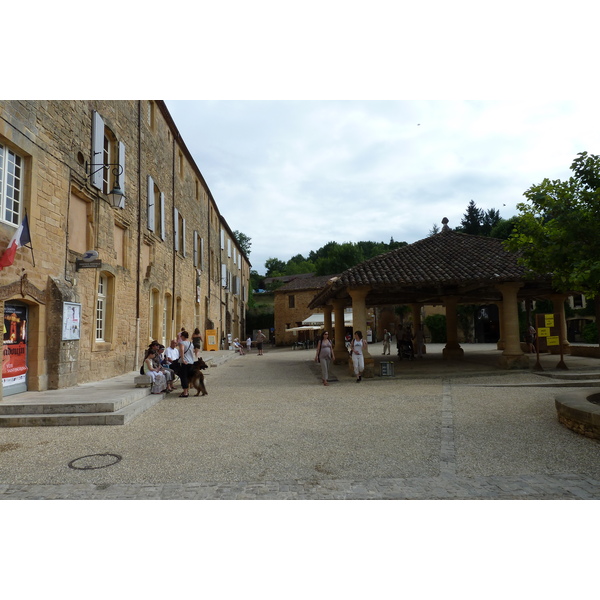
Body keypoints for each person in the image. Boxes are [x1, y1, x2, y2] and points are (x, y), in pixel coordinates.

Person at [177, 330, 195, 398]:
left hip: (185, 362)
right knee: (188, 377)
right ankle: (187, 390)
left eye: (181, 336)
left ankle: (185, 392)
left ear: (183, 336)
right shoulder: (191, 344)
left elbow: (182, 350)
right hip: (191, 362)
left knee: (183, 377)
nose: (180, 337)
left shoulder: (182, 343)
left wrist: (183, 359)